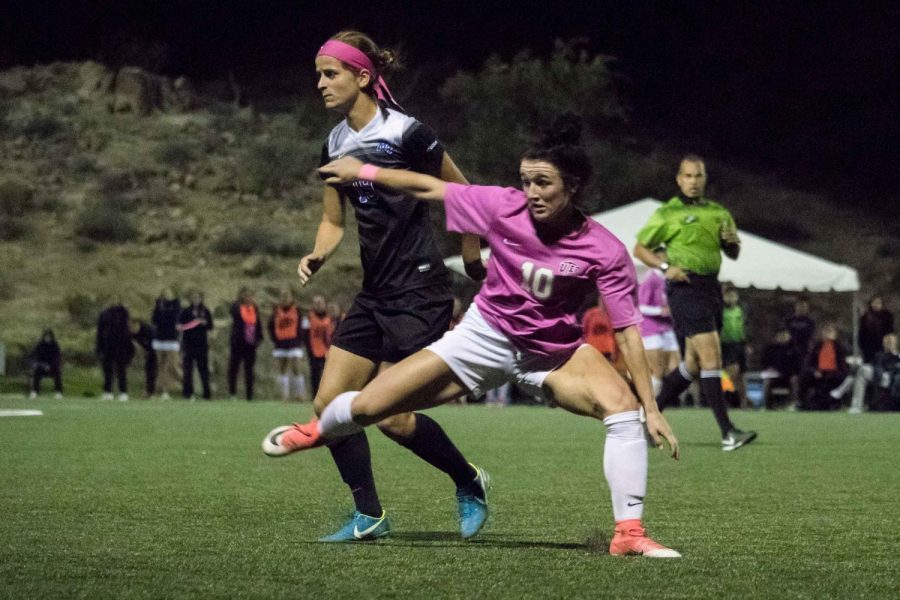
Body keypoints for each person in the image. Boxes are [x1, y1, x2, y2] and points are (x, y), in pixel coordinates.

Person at [266, 116, 682, 558]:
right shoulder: (503, 205)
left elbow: (626, 330)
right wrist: (363, 171)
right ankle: (320, 430)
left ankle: (629, 535)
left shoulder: (605, 250)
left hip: (551, 353)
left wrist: (651, 407)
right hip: (482, 338)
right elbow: (429, 187)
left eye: (543, 183)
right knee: (370, 406)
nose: (532, 193)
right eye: (526, 181)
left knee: (624, 413)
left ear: (573, 186)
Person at [266, 30, 491, 544]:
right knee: (329, 407)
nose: (320, 84)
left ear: (362, 76)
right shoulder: (334, 143)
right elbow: (334, 222)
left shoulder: (407, 133)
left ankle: (470, 481)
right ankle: (370, 515)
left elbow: (466, 195)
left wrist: (474, 257)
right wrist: (319, 252)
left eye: (330, 74)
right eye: (318, 75)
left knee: (390, 417)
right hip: (375, 293)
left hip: (420, 291)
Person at [633, 155, 756, 451]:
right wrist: (665, 268)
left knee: (693, 364)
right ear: (679, 179)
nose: (692, 181)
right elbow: (640, 248)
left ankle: (648, 421)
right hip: (685, 288)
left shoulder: (719, 213)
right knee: (712, 358)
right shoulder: (667, 213)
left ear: (704, 179)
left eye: (697, 176)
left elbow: (734, 253)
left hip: (711, 289)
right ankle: (728, 433)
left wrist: (732, 243)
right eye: (687, 176)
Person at [636, 265, 680, 397]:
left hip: (667, 328)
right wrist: (660, 311)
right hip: (651, 329)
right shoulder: (651, 279)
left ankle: (662, 399)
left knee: (675, 368)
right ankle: (650, 403)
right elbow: (640, 306)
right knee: (657, 371)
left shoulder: (669, 279)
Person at [268, 287, 308, 402]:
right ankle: (284, 396)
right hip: (281, 344)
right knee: (283, 369)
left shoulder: (297, 310)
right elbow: (270, 326)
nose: (285, 299)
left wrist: (300, 340)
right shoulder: (276, 311)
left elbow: (302, 326)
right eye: (283, 297)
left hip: (294, 343)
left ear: (291, 298)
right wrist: (275, 339)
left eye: (287, 297)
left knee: (296, 368)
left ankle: (300, 395)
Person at [801, 323, 848, 410]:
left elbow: (842, 365)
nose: (827, 334)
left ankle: (829, 403)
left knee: (829, 380)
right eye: (826, 331)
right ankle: (804, 403)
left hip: (834, 372)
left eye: (830, 332)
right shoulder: (817, 346)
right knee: (805, 377)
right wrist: (814, 370)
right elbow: (810, 362)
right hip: (819, 371)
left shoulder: (838, 347)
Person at [96, 296, 134, 401]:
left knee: (121, 369)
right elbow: (99, 331)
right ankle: (107, 392)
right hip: (108, 345)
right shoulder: (104, 314)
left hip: (121, 346)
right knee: (107, 370)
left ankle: (123, 392)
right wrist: (99, 347)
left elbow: (127, 330)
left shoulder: (123, 312)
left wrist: (128, 346)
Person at [228, 287, 263, 400]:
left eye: (249, 296)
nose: (247, 298)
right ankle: (232, 393)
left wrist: (258, 339)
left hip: (250, 344)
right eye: (245, 295)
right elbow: (233, 312)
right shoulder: (237, 308)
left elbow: (258, 325)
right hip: (237, 343)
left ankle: (249, 395)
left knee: (249, 370)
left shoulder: (254, 309)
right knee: (234, 368)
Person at [178, 290, 213, 400]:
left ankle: (206, 394)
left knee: (203, 370)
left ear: (201, 299)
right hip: (188, 344)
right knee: (188, 370)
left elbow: (211, 326)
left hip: (202, 345)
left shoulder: (205, 311)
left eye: (198, 297)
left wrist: (204, 323)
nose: (196, 300)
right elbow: (180, 325)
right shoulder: (186, 311)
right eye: (193, 298)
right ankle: (187, 393)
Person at [720, 286, 749, 408]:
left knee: (741, 375)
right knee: (730, 372)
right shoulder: (720, 310)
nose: (731, 298)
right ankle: (728, 397)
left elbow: (744, 327)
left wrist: (746, 343)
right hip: (726, 345)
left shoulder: (740, 309)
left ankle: (743, 401)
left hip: (739, 345)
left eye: (733, 296)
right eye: (729, 296)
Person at [759, 328, 801, 409]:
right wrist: (768, 368)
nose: (783, 337)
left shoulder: (793, 349)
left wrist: (790, 372)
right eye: (780, 335)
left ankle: (794, 403)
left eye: (785, 335)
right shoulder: (770, 348)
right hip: (774, 375)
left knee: (794, 380)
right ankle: (765, 404)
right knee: (766, 381)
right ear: (776, 337)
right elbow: (764, 362)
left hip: (788, 375)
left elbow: (797, 365)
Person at [151, 289, 182, 400]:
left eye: (168, 294)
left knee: (173, 365)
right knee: (161, 366)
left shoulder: (175, 304)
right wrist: (158, 306)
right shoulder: (159, 305)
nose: (165, 296)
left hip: (171, 339)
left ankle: (187, 385)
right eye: (163, 294)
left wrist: (167, 305)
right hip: (159, 338)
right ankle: (163, 391)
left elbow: (175, 317)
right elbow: (154, 320)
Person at [305, 294, 334, 399]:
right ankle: (315, 396)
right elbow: (305, 333)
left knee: (327, 374)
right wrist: (308, 348)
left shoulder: (329, 317)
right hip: (314, 349)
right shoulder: (308, 317)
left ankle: (326, 395)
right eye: (316, 303)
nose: (319, 305)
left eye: (320, 303)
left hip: (327, 349)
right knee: (315, 374)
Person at [29, 329, 63, 399]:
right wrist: (40, 364)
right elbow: (35, 356)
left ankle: (58, 392)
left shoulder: (55, 345)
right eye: (46, 337)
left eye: (49, 337)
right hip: (41, 366)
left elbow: (57, 357)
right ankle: (35, 392)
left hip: (52, 367)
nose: (47, 338)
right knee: (36, 373)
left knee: (58, 374)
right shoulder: (40, 345)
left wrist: (52, 366)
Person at [130, 318, 157, 398]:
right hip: (149, 351)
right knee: (149, 370)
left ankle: (153, 392)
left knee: (154, 370)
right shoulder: (132, 333)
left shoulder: (148, 329)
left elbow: (153, 342)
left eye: (134, 326)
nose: (132, 328)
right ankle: (149, 391)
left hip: (157, 349)